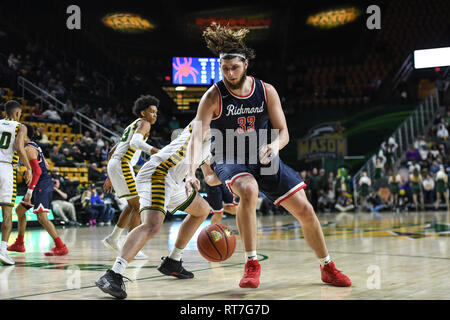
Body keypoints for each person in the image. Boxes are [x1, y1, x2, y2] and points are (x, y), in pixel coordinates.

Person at [184, 23, 350, 288]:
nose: (229, 73)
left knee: (306, 210)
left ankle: (327, 266)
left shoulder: (266, 90)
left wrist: (275, 146)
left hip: (263, 155)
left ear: (246, 63)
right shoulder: (212, 96)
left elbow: (284, 132)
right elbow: (196, 136)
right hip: (229, 155)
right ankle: (252, 263)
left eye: (234, 67)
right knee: (248, 189)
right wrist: (191, 170)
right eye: (224, 68)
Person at [95, 123, 214, 299]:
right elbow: (194, 143)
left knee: (202, 210)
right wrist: (191, 174)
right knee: (152, 225)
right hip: (159, 172)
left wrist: (233, 180)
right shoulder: (208, 122)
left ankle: (173, 261)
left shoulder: (216, 143)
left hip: (175, 181)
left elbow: (210, 176)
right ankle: (113, 274)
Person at [102, 95, 160, 260]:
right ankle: (131, 246)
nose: (155, 115)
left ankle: (113, 238)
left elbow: (112, 151)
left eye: (156, 112)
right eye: (152, 112)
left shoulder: (133, 124)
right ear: (143, 112)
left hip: (116, 164)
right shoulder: (144, 123)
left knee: (131, 204)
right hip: (122, 164)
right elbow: (135, 144)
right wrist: (156, 152)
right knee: (139, 205)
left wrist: (109, 176)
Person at [7, 124, 68, 256]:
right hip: (39, 184)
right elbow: (44, 164)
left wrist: (29, 192)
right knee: (19, 211)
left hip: (41, 185)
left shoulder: (29, 148)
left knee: (42, 217)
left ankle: (60, 246)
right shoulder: (33, 145)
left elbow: (38, 171)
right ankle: (19, 243)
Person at [0, 101, 33, 265]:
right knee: (7, 212)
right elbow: (19, 147)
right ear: (18, 114)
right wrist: (28, 168)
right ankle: (2, 251)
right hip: (6, 169)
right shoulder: (20, 127)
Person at [200, 159, 237, 224]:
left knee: (234, 209)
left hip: (223, 179)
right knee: (219, 213)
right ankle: (212, 233)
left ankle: (212, 205)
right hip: (212, 182)